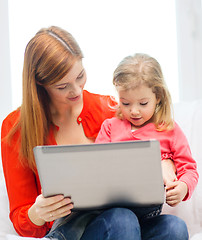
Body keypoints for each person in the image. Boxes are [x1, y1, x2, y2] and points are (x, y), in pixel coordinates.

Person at [0, 26, 187, 240]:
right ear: (41, 84)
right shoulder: (16, 128)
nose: (77, 90)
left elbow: (159, 136)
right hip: (77, 230)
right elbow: (21, 220)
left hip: (131, 222)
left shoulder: (109, 109)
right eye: (63, 87)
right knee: (121, 220)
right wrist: (38, 212)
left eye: (80, 76)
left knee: (174, 228)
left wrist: (166, 161)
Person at [95, 53, 199, 238]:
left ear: (158, 97)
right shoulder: (110, 127)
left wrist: (183, 187)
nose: (134, 111)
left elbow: (189, 169)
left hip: (148, 217)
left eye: (143, 103)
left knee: (176, 228)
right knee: (124, 220)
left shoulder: (169, 129)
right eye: (125, 103)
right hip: (114, 216)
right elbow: (97, 169)